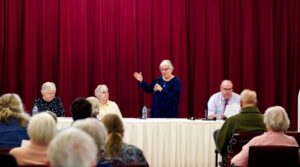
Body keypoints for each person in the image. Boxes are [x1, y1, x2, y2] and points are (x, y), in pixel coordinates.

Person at [231, 106, 298, 167]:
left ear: (266, 122)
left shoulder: (256, 141)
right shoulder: (292, 141)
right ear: (286, 121)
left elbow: (236, 162)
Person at [215, 89, 266, 164]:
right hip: (261, 160)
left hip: (235, 161)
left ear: (241, 103)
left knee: (217, 133)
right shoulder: (266, 120)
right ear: (256, 103)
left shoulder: (231, 121)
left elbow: (221, 145)